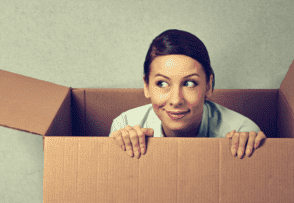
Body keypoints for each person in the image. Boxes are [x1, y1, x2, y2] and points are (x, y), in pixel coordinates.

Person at [109, 29, 266, 159]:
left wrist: (251, 151)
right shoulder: (125, 125)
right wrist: (117, 149)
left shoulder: (242, 132)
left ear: (208, 85)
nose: (176, 100)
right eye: (162, 84)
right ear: (147, 86)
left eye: (190, 83)